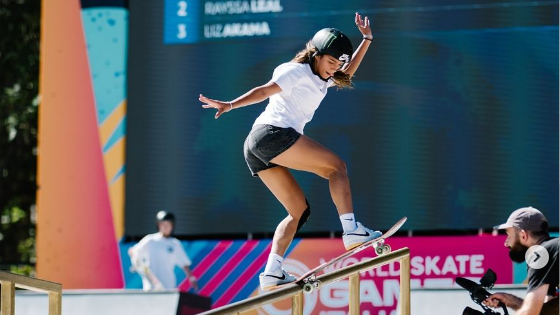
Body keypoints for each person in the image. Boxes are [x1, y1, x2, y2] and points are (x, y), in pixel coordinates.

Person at [199, 12, 382, 290]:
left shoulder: (324, 77)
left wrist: (366, 39)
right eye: (330, 62)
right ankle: (351, 230)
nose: (334, 69)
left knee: (298, 211)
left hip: (257, 147)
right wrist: (230, 104)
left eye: (337, 65)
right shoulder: (296, 70)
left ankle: (272, 272)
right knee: (337, 168)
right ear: (316, 55)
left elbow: (348, 70)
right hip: (272, 134)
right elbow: (264, 91)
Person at [483, 207, 558, 315]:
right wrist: (509, 300)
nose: (506, 243)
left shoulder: (540, 254)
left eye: (508, 235)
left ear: (523, 235)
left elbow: (531, 312)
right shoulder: (551, 253)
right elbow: (547, 311)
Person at [129, 211, 198, 291]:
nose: (165, 227)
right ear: (158, 225)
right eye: (163, 224)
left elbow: (184, 264)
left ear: (172, 226)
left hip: (168, 286)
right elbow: (133, 251)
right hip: (151, 287)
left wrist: (191, 277)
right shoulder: (150, 240)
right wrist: (135, 258)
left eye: (168, 224)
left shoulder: (175, 244)